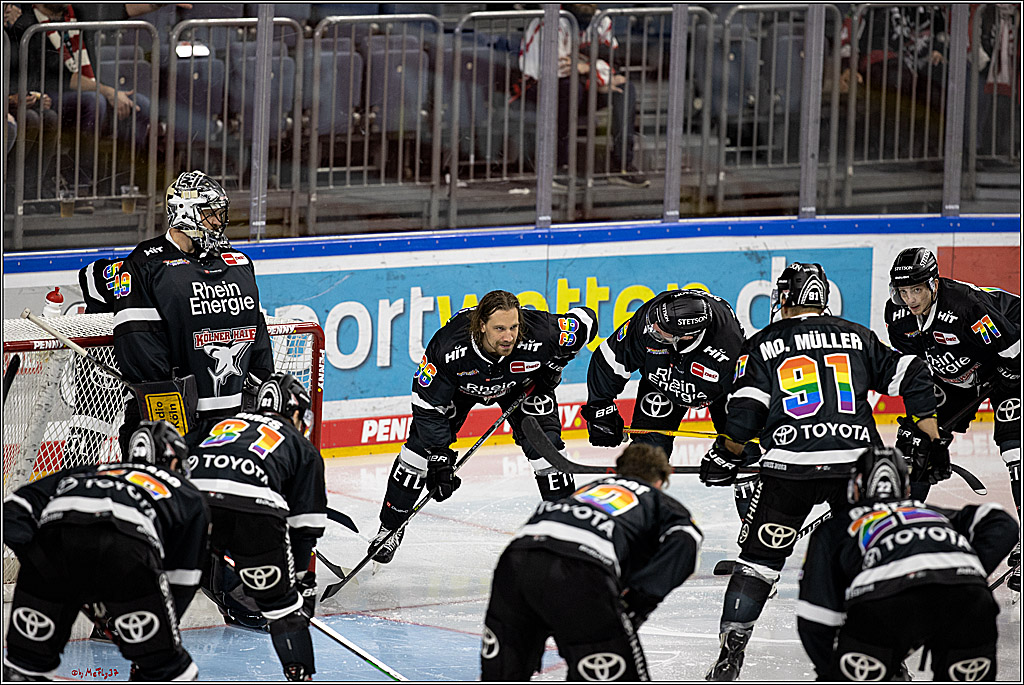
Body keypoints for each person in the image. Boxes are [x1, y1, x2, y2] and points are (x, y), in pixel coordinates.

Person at [697, 262, 942, 681]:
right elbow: (914, 375)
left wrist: (724, 454)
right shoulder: (857, 335)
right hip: (857, 468)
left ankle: (729, 657)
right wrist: (932, 440)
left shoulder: (762, 343)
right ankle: (891, 657)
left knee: (759, 562)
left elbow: (743, 416)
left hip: (788, 470)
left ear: (785, 299)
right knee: (868, 560)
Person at [369, 289, 597, 564]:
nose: (509, 336)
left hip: (522, 387)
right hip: (460, 390)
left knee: (547, 455)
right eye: (500, 328)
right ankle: (389, 529)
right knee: (418, 453)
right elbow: (427, 406)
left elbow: (586, 320)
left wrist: (557, 361)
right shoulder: (449, 347)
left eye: (514, 327)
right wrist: (440, 457)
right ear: (481, 325)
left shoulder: (540, 332)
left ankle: (569, 536)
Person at [2, 420, 209, 682]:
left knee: (24, 667)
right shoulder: (186, 491)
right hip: (126, 551)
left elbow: (12, 512)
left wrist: (39, 560)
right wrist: (155, 641)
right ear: (174, 461)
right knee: (172, 670)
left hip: (52, 542)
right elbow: (183, 579)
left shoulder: (87, 471)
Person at [480, 443, 703, 681]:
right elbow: (687, 541)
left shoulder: (589, 489)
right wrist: (638, 601)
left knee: (502, 674)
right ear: (663, 478)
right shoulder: (659, 501)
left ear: (618, 470)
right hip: (580, 570)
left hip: (516, 558)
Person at [797, 446, 1018, 681]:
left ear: (854, 488)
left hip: (884, 604)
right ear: (906, 488)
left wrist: (831, 671)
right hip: (970, 600)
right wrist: (968, 570)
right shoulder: (930, 513)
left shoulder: (837, 528)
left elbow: (816, 615)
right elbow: (1004, 524)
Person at [110, 169, 274, 456]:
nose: (218, 221)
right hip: (168, 427)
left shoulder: (239, 263)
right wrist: (171, 421)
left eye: (220, 213)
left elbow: (257, 335)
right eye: (210, 213)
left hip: (232, 426)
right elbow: (140, 347)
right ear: (185, 212)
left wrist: (254, 406)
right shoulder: (147, 263)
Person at [884, 246, 1021, 590]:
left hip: (1006, 360)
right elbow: (916, 369)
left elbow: (1013, 351)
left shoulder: (964, 307)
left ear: (932, 284)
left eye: (917, 289)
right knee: (916, 447)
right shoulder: (899, 318)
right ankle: (901, 535)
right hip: (958, 374)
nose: (910, 298)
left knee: (1015, 449)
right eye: (903, 291)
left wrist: (1008, 373)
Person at [184, 372, 327, 682]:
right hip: (253, 512)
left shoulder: (223, 423)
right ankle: (299, 673)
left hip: (191, 506)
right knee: (282, 608)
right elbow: (306, 527)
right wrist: (298, 586)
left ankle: (126, 637)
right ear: (296, 411)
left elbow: (182, 459)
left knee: (168, 587)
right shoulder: (302, 446)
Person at [584, 289, 756, 516]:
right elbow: (610, 358)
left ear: (687, 336)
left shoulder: (728, 350)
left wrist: (729, 452)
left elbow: (747, 402)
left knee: (747, 460)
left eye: (662, 332)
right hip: (662, 384)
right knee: (645, 456)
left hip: (720, 394)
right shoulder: (652, 317)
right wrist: (600, 408)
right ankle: (630, 521)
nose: (652, 329)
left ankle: (759, 526)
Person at [518, 3, 649, 188]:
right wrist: (596, 75)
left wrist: (587, 68)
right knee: (570, 88)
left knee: (624, 90)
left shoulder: (602, 20)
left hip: (582, 85)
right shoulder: (551, 19)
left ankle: (621, 166)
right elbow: (559, 69)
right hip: (537, 87)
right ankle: (558, 166)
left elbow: (614, 64)